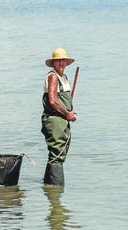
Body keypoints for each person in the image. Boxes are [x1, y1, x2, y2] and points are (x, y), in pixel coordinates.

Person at [41, 47, 77, 186]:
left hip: (61, 119)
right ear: (54, 63)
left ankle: (48, 186)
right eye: (58, 61)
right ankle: (57, 190)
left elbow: (62, 100)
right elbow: (53, 100)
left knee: (56, 154)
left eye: (63, 60)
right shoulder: (53, 77)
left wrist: (70, 111)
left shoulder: (63, 77)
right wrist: (67, 113)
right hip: (55, 120)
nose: (61, 63)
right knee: (57, 154)